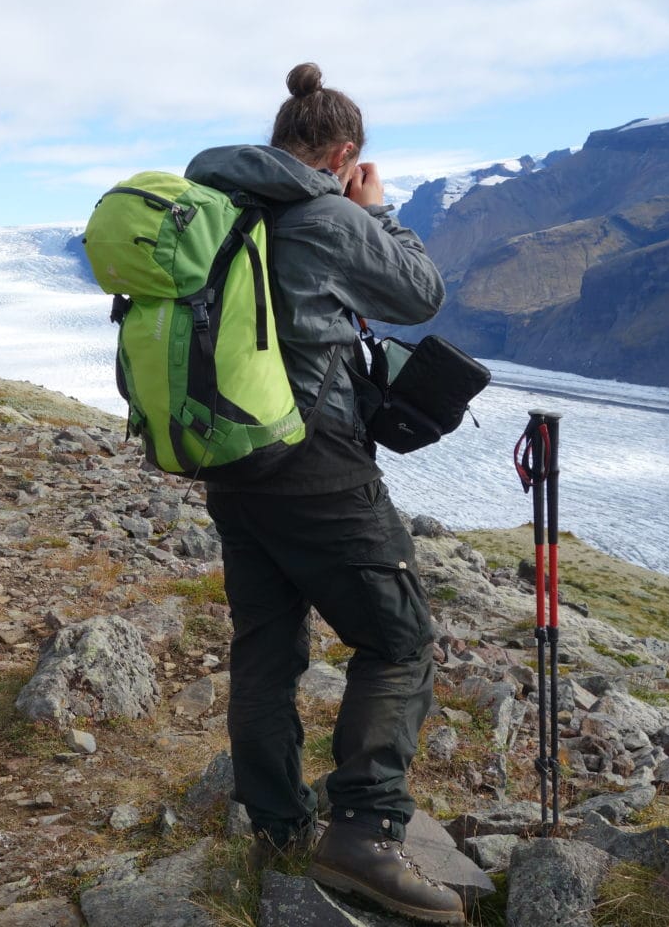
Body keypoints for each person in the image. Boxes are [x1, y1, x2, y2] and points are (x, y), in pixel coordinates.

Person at [184, 64, 465, 926]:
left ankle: (278, 830)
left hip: (232, 461)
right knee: (399, 639)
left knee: (266, 648)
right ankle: (365, 834)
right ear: (343, 153)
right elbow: (420, 295)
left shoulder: (212, 204)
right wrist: (374, 207)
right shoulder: (330, 211)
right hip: (319, 467)